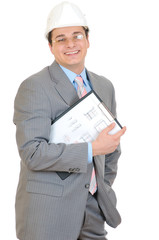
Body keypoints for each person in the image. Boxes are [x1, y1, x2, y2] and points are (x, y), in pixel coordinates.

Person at [13, 2, 126, 240]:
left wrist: (102, 188)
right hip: (49, 213)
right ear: (51, 46)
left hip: (94, 209)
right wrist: (92, 149)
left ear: (87, 40)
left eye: (76, 36)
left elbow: (112, 150)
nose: (71, 44)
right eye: (61, 39)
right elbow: (32, 153)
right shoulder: (35, 87)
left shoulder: (104, 86)